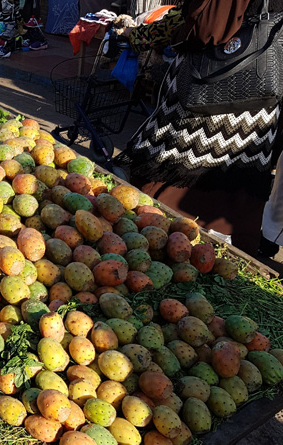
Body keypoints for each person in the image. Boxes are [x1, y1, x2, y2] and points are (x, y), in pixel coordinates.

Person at [116, 0, 283, 255]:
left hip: (212, 89)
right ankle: (225, 266)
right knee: (236, 194)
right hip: (261, 93)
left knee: (166, 204)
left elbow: (207, 29)